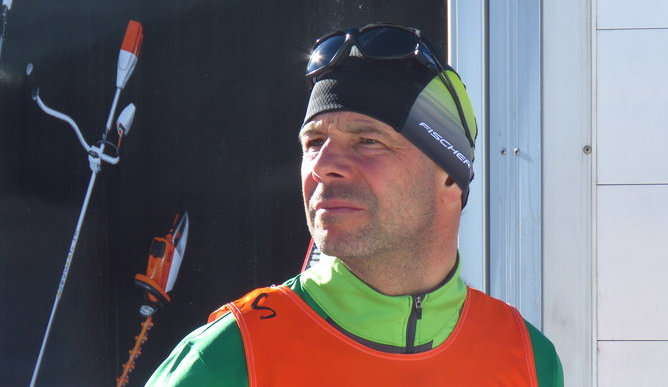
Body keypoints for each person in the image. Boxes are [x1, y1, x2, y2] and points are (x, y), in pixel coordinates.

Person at [146, 24, 563, 386]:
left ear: (450, 176)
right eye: (314, 142)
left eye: (367, 140)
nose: (323, 165)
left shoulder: (528, 357)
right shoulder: (228, 358)